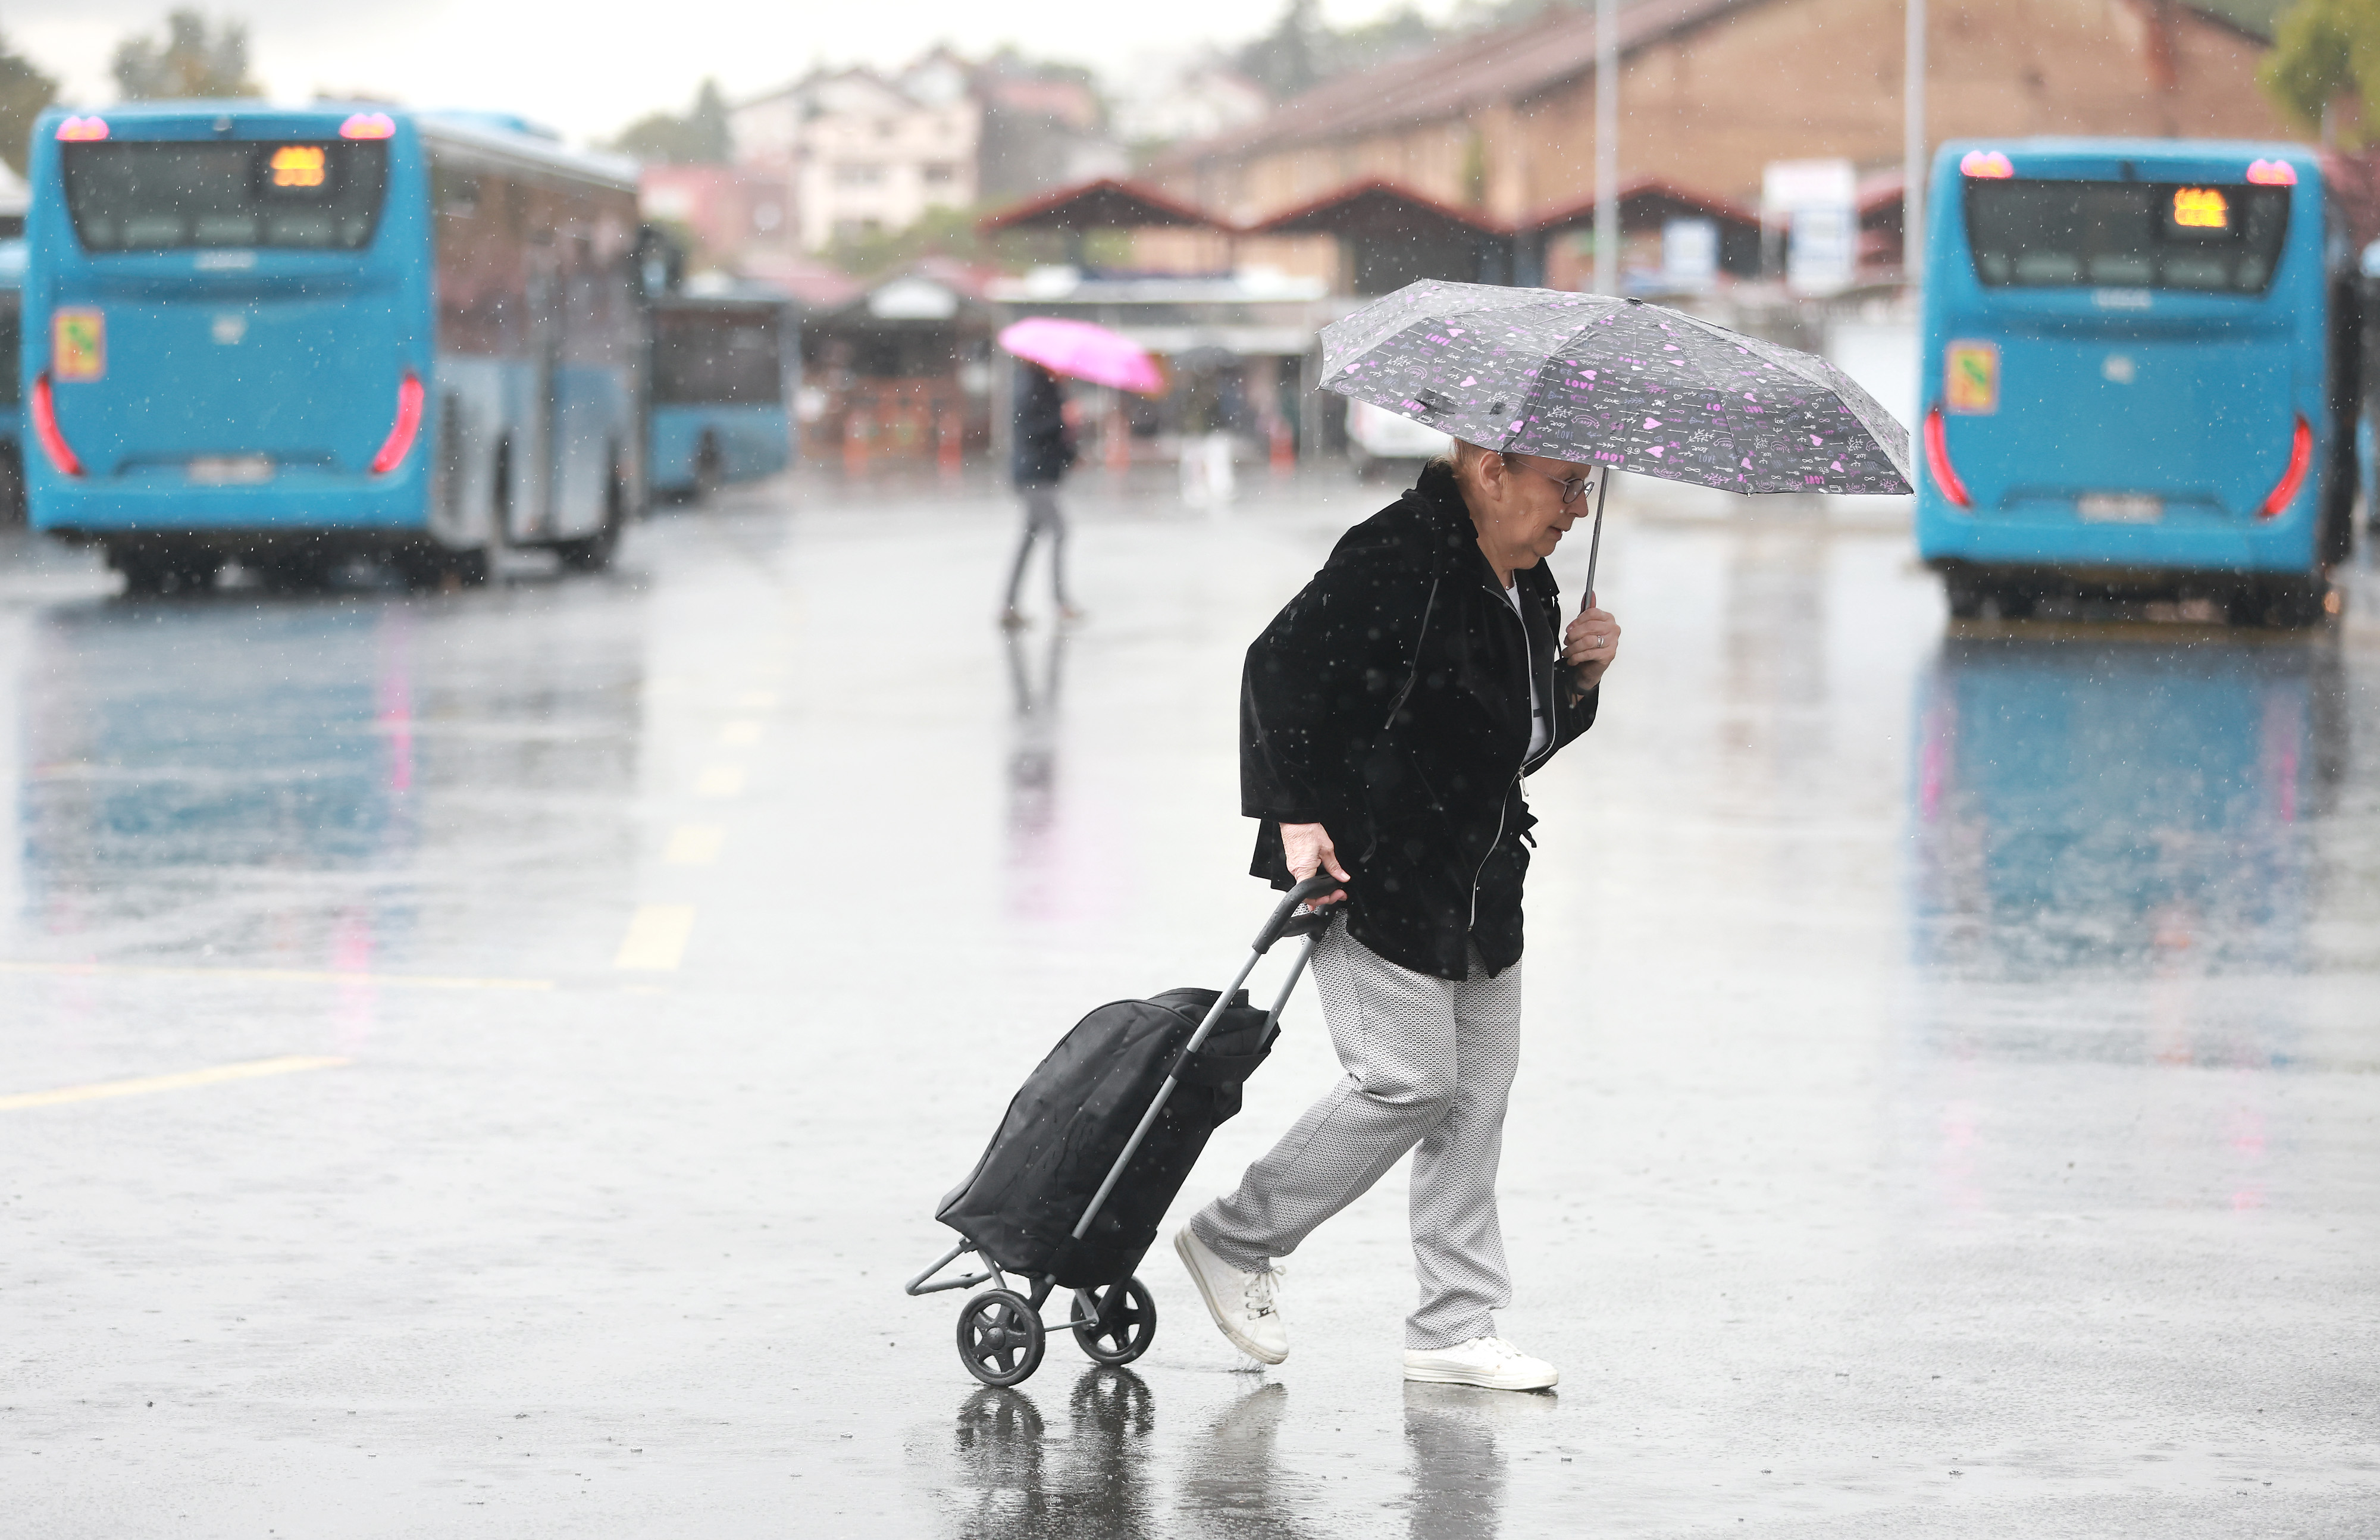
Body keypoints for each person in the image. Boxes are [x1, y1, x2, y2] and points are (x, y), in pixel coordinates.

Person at [1175, 439, 1623, 1392]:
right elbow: (1277, 670)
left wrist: (1576, 682)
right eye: (1564, 485)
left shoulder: (1530, 583)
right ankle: (1234, 1238)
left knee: (1477, 1094)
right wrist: (1296, 819)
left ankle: (1454, 1325)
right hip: (1375, 862)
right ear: (1490, 466)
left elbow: (1515, 744)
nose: (1576, 509)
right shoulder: (1400, 554)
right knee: (1407, 1081)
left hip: (1480, 878)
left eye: (1585, 488)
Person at [1003, 361, 1081, 628]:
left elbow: (1058, 438)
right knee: (1060, 530)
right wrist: (1063, 418)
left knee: (1029, 539)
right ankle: (1060, 603)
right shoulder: (1030, 387)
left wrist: (1072, 454)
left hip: (1043, 473)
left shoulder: (1051, 387)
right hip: (1033, 476)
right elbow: (1032, 430)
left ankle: (1008, 606)